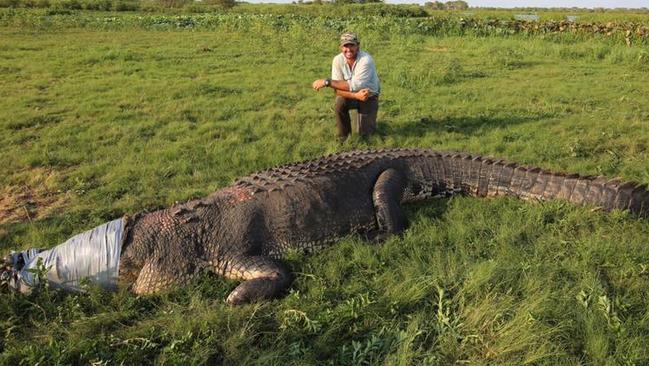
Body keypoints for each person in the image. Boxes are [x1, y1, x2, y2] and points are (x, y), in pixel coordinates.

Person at [312, 32, 380, 142]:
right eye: (345, 46)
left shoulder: (366, 60)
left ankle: (365, 127)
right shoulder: (337, 60)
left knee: (367, 137)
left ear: (358, 46)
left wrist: (327, 82)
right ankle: (344, 136)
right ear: (340, 47)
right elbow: (337, 90)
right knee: (340, 102)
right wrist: (356, 96)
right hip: (356, 95)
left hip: (369, 95)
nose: (348, 49)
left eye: (351, 45)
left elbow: (355, 85)